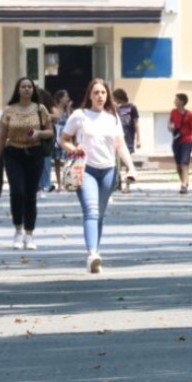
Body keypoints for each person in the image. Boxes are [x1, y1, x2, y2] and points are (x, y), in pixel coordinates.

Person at [60, 78, 138, 274]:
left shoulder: (113, 118)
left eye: (103, 93)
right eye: (96, 93)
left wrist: (131, 168)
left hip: (108, 171)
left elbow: (120, 146)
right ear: (90, 95)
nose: (100, 96)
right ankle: (92, 254)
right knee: (92, 211)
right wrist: (74, 148)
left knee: (100, 215)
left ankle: (95, 251)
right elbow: (63, 139)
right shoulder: (79, 116)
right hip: (85, 169)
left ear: (107, 95)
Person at [0, 77, 54, 251]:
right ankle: (18, 230)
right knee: (17, 192)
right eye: (23, 87)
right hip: (13, 154)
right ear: (18, 90)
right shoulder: (9, 110)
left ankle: (29, 234)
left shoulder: (40, 109)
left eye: (29, 87)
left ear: (33, 90)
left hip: (34, 154)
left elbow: (50, 132)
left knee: (30, 195)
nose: (26, 89)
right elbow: (2, 137)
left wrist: (38, 133)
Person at [170, 93, 192, 194]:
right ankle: (184, 181)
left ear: (182, 102)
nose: (175, 101)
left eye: (176, 100)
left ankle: (184, 184)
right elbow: (170, 124)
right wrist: (170, 127)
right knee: (178, 164)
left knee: (184, 163)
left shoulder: (190, 114)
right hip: (176, 140)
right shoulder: (173, 112)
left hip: (187, 140)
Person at [113, 88, 140, 193]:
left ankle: (127, 185)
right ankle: (118, 182)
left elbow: (136, 123)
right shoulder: (115, 108)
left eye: (114, 97)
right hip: (117, 137)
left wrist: (138, 139)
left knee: (127, 162)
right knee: (116, 162)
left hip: (128, 137)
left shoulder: (131, 107)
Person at [37, 89, 56, 197]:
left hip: (46, 137)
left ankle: (46, 184)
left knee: (46, 160)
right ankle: (39, 185)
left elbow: (56, 116)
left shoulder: (46, 107)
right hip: (34, 135)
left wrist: (45, 116)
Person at [52, 89, 72, 192]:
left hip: (66, 138)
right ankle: (59, 183)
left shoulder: (67, 110)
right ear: (60, 98)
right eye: (66, 97)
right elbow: (56, 118)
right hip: (57, 138)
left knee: (67, 161)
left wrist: (68, 109)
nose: (67, 99)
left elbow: (70, 122)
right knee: (56, 161)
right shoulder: (54, 109)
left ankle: (65, 182)